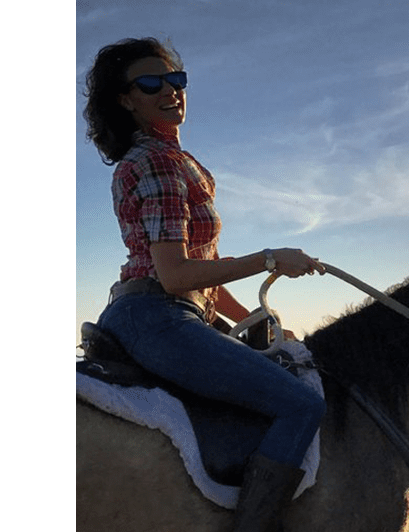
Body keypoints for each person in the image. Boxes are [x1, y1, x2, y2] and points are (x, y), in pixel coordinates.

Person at [84, 37, 327, 532]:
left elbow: (205, 269)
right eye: (151, 82)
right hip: (157, 315)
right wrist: (269, 259)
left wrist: (261, 322)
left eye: (177, 80)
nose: (170, 91)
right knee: (302, 405)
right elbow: (176, 275)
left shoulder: (183, 163)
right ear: (126, 100)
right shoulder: (155, 163)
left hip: (173, 312)